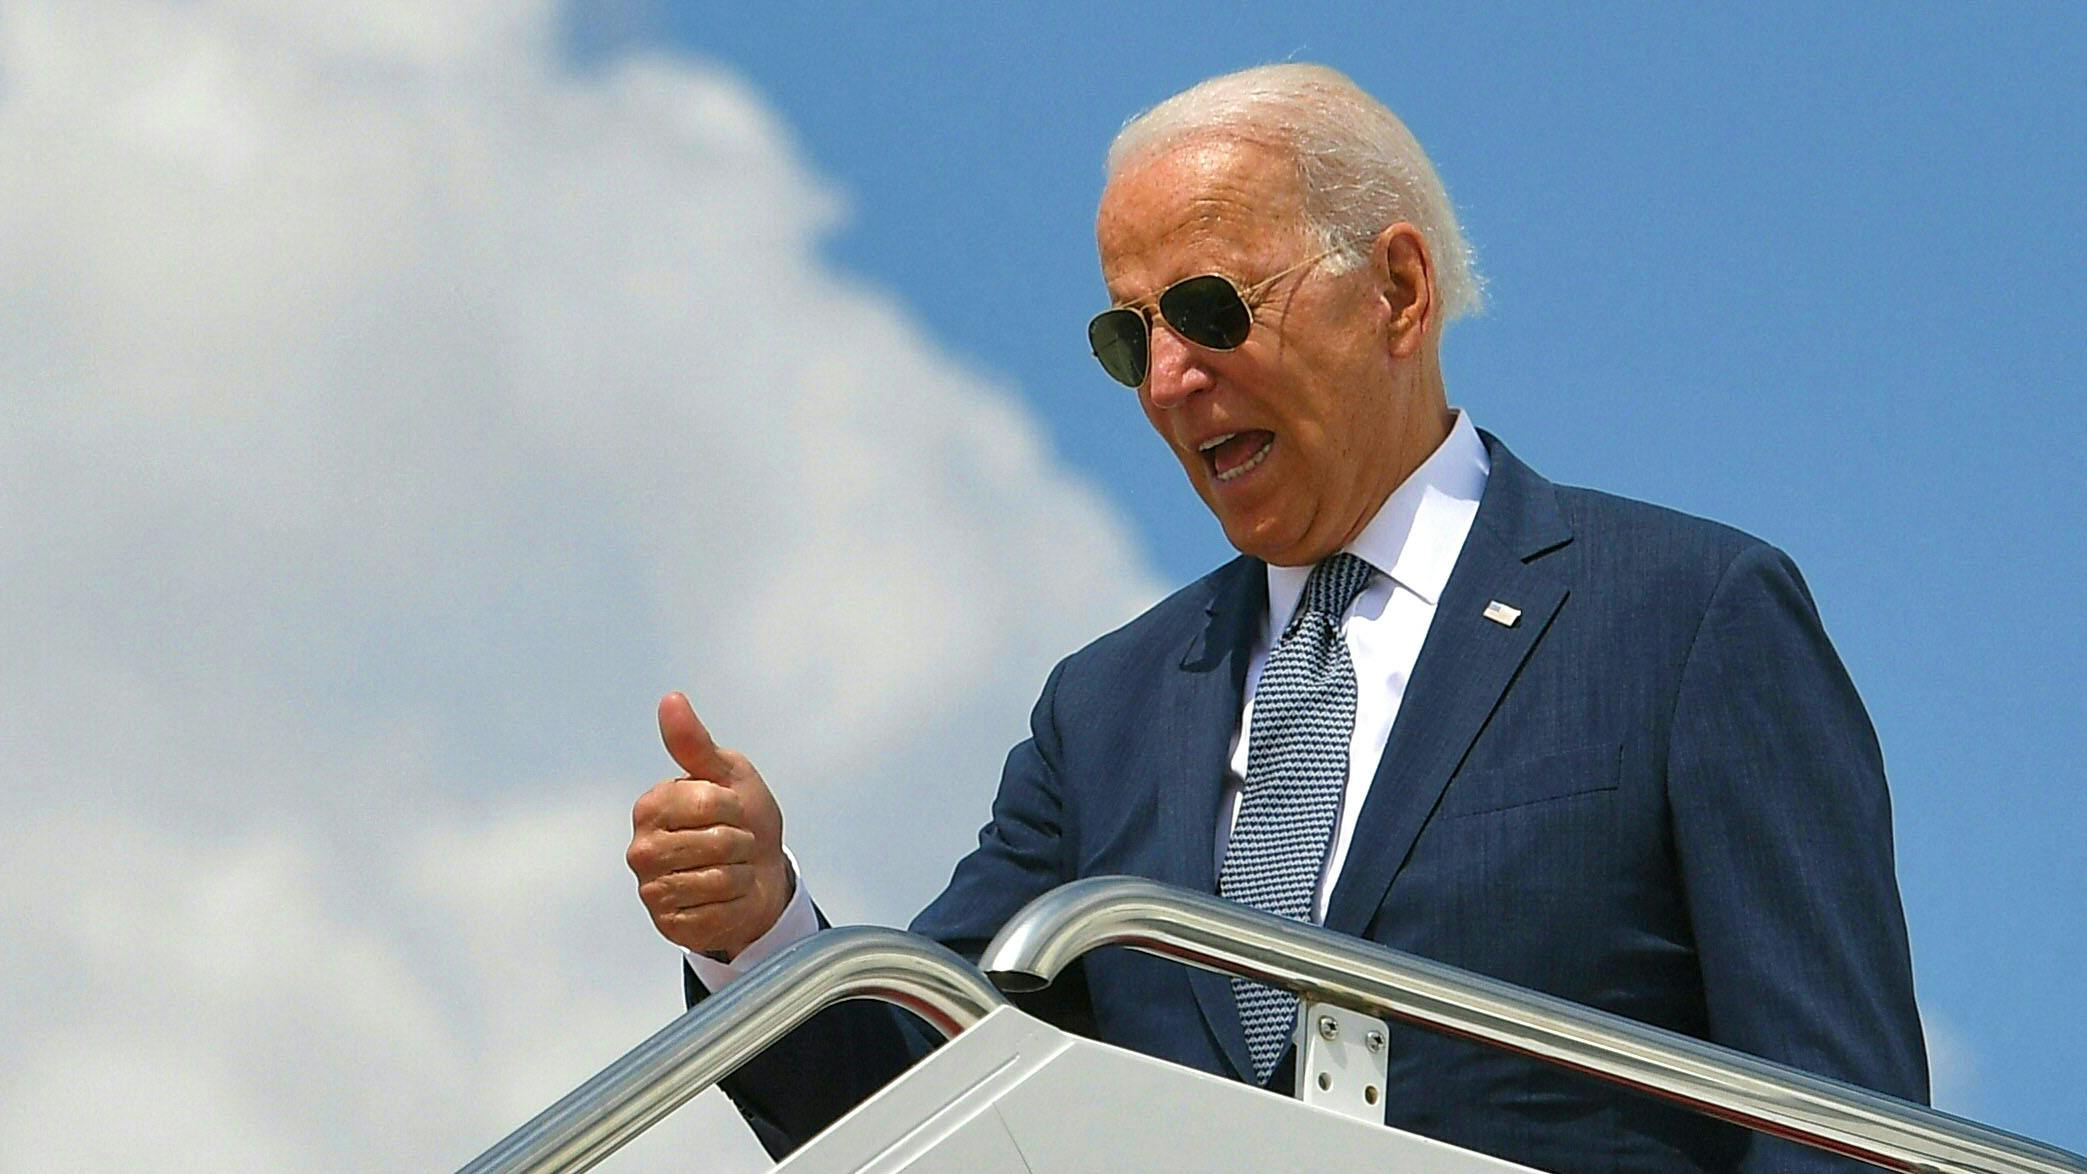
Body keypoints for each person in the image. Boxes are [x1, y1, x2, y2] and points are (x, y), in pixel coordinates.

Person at [625, 63, 1928, 1171]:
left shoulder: (1683, 616)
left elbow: (1839, 1120)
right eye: (1128, 339)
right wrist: (759, 925)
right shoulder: (1107, 711)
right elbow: (919, 1098)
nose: (1168, 381)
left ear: (1398, 291)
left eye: (1210, 310)